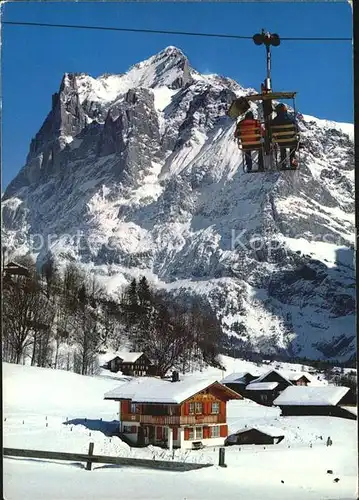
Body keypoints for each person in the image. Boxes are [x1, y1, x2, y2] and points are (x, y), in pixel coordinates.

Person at [270, 103, 298, 169]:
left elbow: (272, 131)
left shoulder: (275, 120)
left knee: (282, 147)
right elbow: (296, 129)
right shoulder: (291, 118)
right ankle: (292, 163)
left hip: (281, 141)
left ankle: (283, 164)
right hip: (291, 141)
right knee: (293, 146)